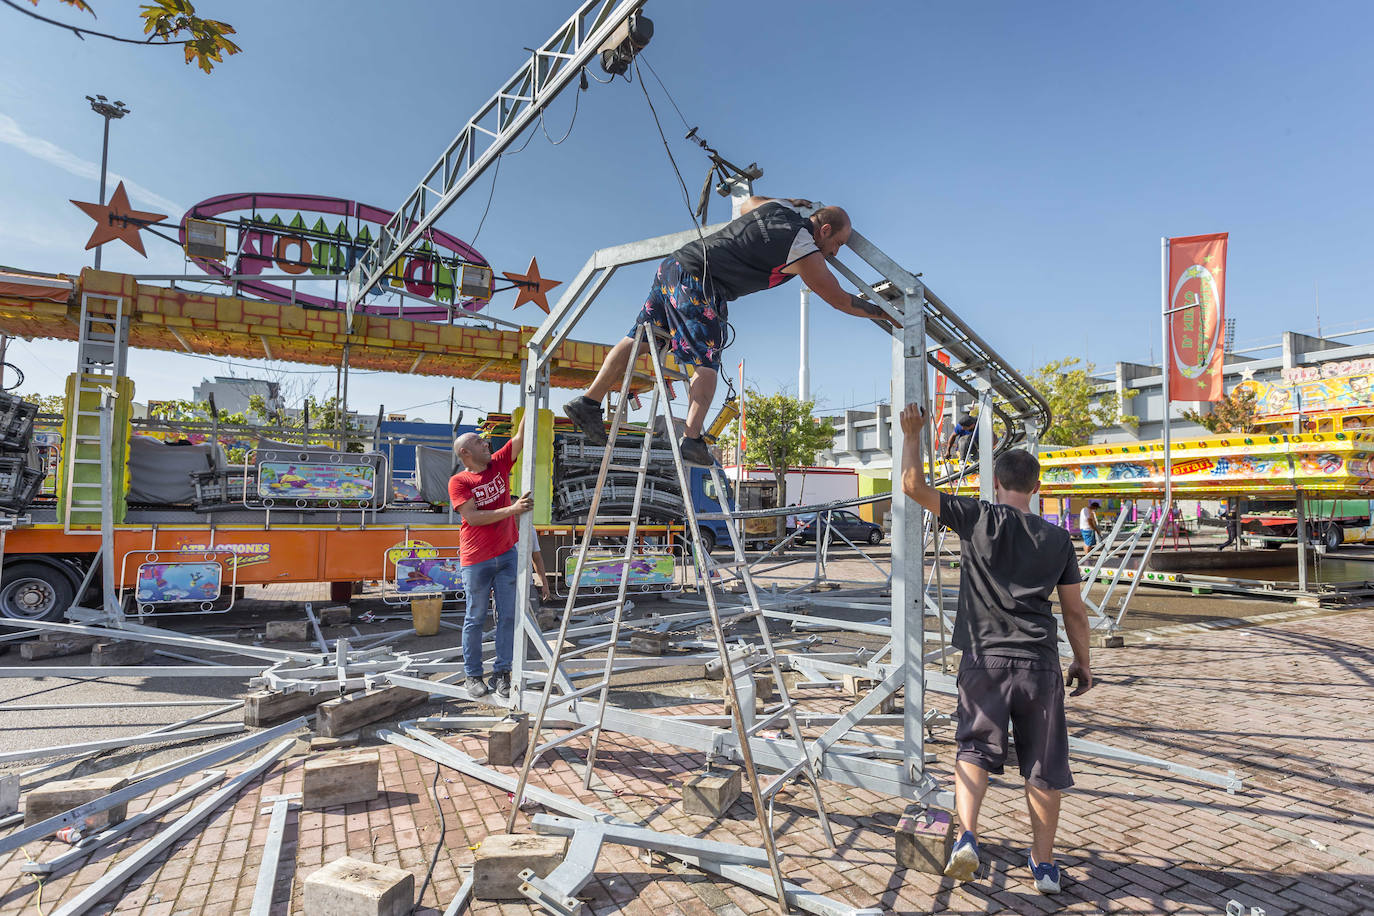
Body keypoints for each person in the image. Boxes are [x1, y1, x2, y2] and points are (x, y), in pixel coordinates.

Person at [898, 402, 1093, 895]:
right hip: (1039, 663)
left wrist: (913, 433)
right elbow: (1074, 610)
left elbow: (913, 487)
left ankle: (967, 837)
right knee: (1044, 764)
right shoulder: (1058, 538)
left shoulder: (977, 517)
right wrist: (1083, 661)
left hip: (983, 659)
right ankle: (1045, 866)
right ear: (1036, 486)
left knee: (974, 749)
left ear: (998, 484)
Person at [564, 198, 896, 466]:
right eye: (836, 243)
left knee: (639, 337)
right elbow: (837, 298)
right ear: (824, 230)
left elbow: (748, 203)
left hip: (672, 266)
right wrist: (882, 311)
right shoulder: (804, 247)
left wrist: (790, 200)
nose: (834, 253)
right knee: (706, 361)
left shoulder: (779, 210)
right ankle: (692, 439)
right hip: (700, 281)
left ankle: (589, 402)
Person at [449, 427, 532, 701]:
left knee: (507, 615)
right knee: (475, 617)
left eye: (485, 441)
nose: (486, 444)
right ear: (465, 452)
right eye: (478, 442)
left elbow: (519, 438)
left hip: (507, 554)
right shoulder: (459, 482)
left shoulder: (498, 463)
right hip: (476, 559)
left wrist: (529, 405)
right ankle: (473, 675)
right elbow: (473, 518)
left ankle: (502, 673)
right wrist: (513, 509)